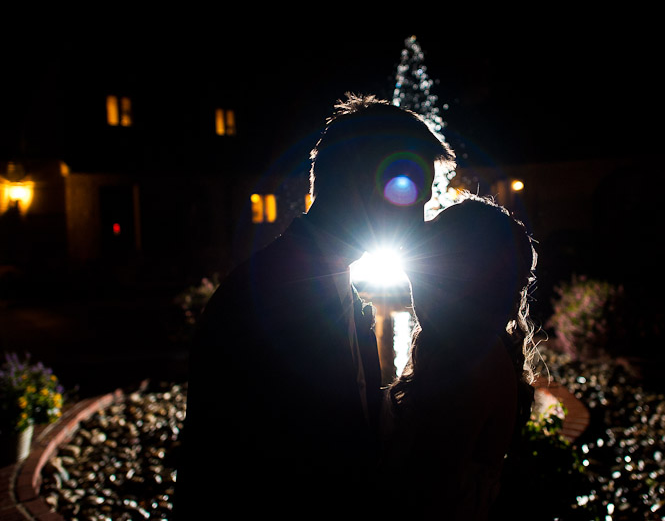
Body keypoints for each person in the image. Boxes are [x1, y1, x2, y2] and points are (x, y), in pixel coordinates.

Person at [173, 94, 456, 518]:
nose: (419, 217)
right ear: (362, 184)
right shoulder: (267, 301)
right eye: (411, 194)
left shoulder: (333, 289)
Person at [380, 194, 538, 519]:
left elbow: (425, 496)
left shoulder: (472, 362)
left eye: (430, 269)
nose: (415, 288)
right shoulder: (470, 350)